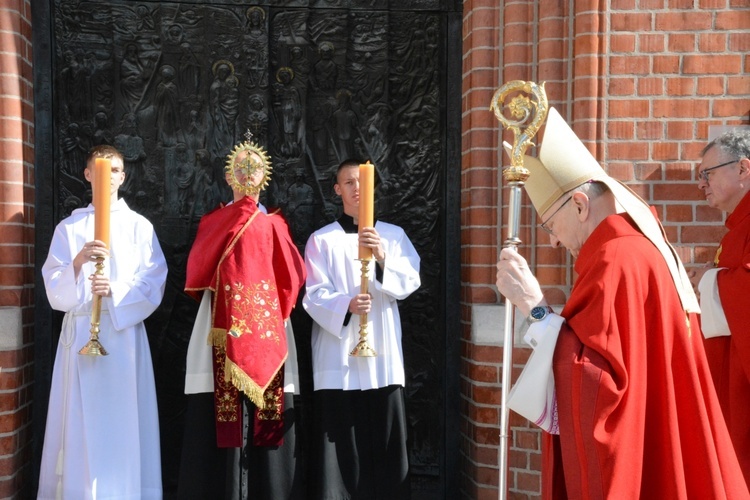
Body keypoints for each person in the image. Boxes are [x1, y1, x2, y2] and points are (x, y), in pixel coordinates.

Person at [494, 108, 749, 499]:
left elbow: (600, 386)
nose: (552, 242)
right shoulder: (633, 249)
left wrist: (535, 307)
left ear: (580, 205)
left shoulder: (615, 261)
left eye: (550, 226)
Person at [178, 135, 307, 499]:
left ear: (262, 177)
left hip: (267, 328)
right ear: (230, 176)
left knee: (268, 409)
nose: (247, 177)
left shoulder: (275, 224)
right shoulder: (216, 221)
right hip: (220, 322)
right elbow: (199, 269)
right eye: (242, 171)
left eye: (253, 172)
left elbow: (293, 277)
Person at [37, 145, 167, 499]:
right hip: (80, 334)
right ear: (87, 174)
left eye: (115, 170)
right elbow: (54, 288)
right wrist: (78, 262)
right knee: (77, 425)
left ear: (122, 178)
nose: (108, 176)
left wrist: (116, 289)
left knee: (122, 426)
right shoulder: (70, 227)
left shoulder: (140, 227)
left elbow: (154, 282)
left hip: (122, 337)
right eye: (100, 169)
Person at [302, 158, 421, 499]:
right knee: (339, 443)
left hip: (381, 357)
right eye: (350, 183)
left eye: (363, 183)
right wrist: (346, 305)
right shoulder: (321, 240)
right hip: (339, 357)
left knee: (385, 440)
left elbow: (410, 280)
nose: (357, 189)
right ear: (338, 189)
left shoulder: (393, 236)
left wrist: (383, 256)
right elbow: (313, 294)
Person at [688, 128, 750, 485]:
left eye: (708, 173)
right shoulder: (736, 229)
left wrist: (710, 280)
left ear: (743, 169)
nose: (701, 184)